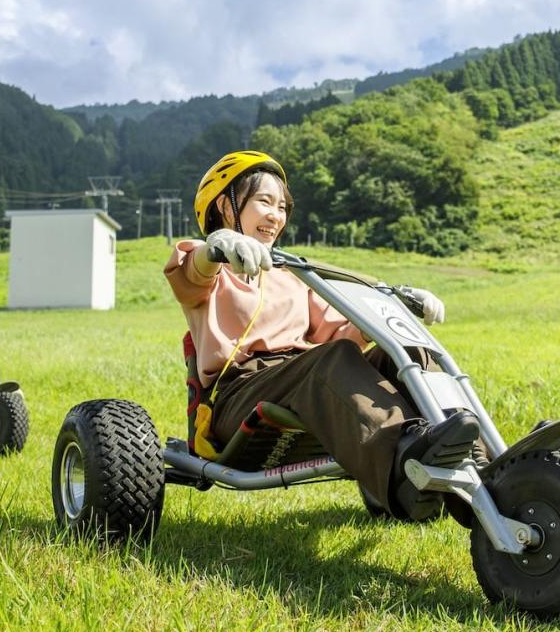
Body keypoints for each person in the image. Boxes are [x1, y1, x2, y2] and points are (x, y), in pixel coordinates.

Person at [164, 151, 478, 519]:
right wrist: (217, 246)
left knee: (408, 352)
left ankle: (483, 467)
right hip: (239, 394)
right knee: (331, 357)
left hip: (305, 380)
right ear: (225, 205)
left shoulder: (291, 277)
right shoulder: (209, 269)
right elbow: (192, 272)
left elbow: (345, 332)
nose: (276, 216)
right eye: (264, 201)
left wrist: (395, 308)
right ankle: (403, 462)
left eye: (282, 207)